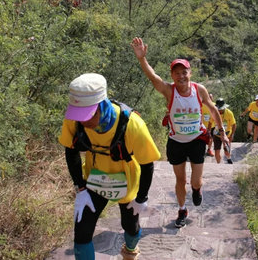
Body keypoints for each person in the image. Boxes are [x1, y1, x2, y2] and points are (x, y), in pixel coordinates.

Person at [58, 73, 161, 260]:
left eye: (88, 116)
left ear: (102, 105)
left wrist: (141, 198)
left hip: (127, 182)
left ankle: (130, 250)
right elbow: (71, 150)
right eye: (79, 116)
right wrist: (80, 188)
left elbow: (147, 164)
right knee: (81, 232)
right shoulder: (75, 120)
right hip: (94, 180)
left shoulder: (132, 125)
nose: (83, 122)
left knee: (129, 226)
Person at [130, 37, 229, 228]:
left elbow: (213, 109)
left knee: (196, 181)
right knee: (180, 179)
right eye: (177, 73)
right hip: (176, 142)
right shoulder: (169, 90)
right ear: (172, 75)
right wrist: (142, 58)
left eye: (184, 72)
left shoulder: (199, 89)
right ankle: (182, 209)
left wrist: (221, 131)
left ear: (190, 73)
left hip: (197, 140)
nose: (181, 76)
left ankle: (197, 190)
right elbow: (153, 78)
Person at [208, 98, 236, 164]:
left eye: (221, 109)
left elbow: (234, 124)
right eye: (219, 109)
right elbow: (210, 122)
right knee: (217, 152)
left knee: (226, 150)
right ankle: (218, 164)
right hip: (217, 134)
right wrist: (209, 131)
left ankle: (229, 159)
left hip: (227, 134)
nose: (220, 110)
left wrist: (232, 135)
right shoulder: (214, 112)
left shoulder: (229, 113)